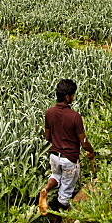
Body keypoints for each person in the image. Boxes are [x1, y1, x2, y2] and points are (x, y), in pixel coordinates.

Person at [40, 78, 95, 214]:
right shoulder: (75, 116)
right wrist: (91, 151)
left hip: (54, 156)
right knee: (65, 191)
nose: (73, 97)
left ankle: (46, 189)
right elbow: (83, 141)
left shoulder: (49, 112)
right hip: (69, 159)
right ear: (67, 97)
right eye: (72, 95)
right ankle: (59, 219)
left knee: (55, 176)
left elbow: (47, 137)